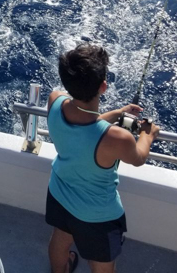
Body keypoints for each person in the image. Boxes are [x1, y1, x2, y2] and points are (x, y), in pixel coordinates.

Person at [45, 44, 160, 273]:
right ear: (103, 86)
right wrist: (148, 134)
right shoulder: (117, 138)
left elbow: (84, 124)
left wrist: (118, 113)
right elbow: (138, 158)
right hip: (96, 215)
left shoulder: (55, 100)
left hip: (59, 193)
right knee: (102, 264)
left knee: (61, 239)